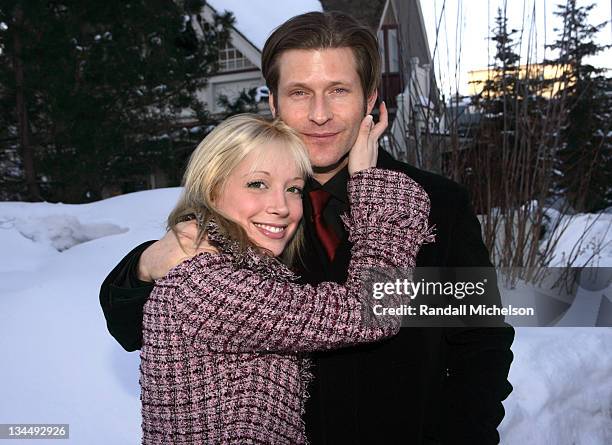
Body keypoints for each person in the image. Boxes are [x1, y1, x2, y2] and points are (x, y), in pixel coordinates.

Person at [100, 11, 515, 444]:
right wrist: (147, 264)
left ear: (370, 99)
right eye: (300, 93)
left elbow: (480, 340)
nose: (320, 115)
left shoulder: (434, 203)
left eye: (338, 90)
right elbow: (133, 328)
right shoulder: (243, 208)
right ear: (274, 103)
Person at [138, 113, 432, 444]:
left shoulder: (229, 270)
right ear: (212, 187)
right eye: (257, 184)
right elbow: (372, 311)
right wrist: (375, 192)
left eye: (293, 189)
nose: (282, 206)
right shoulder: (207, 286)